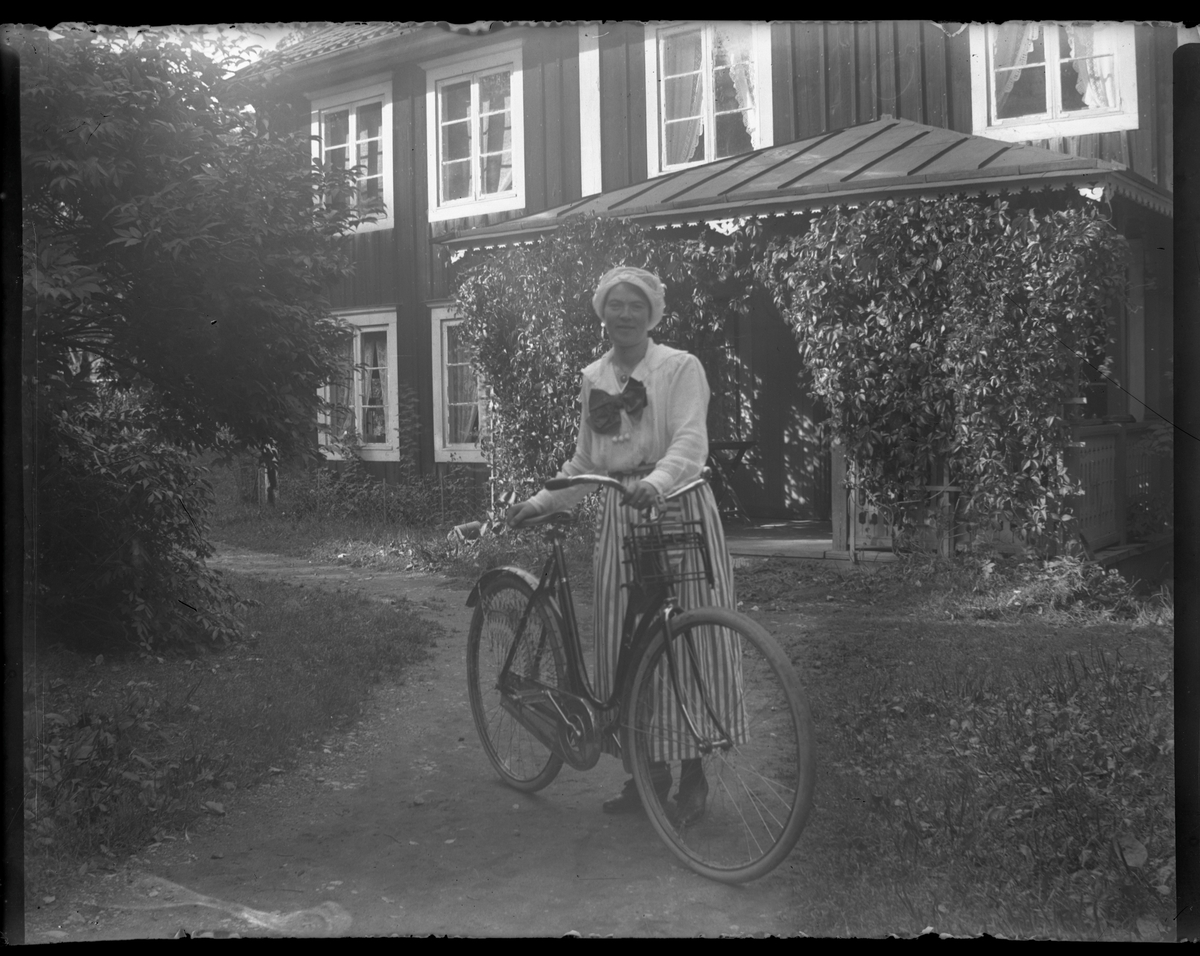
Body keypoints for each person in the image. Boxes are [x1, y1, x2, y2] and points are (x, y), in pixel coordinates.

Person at [506, 265, 743, 826]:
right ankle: (646, 777)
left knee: (686, 642)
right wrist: (540, 503)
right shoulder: (594, 379)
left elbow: (689, 441)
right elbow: (587, 465)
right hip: (620, 518)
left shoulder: (680, 368)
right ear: (603, 314)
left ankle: (692, 779)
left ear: (652, 312)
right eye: (616, 305)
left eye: (636, 305)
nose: (626, 314)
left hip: (677, 506)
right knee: (624, 647)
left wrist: (657, 485)